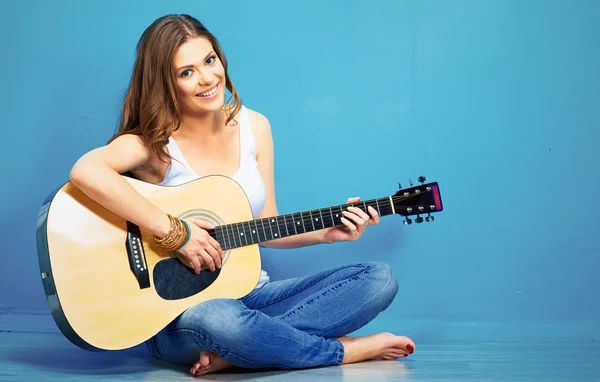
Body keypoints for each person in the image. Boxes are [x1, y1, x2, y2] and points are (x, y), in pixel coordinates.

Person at [69, 14, 415, 377]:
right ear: (165, 83)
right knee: (218, 319)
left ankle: (242, 351)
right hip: (176, 313)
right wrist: (176, 233)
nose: (206, 78)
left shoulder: (255, 127)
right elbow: (85, 171)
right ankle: (341, 352)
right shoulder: (154, 143)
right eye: (186, 72)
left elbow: (263, 225)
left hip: (251, 295)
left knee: (378, 280)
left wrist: (326, 234)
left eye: (209, 60)